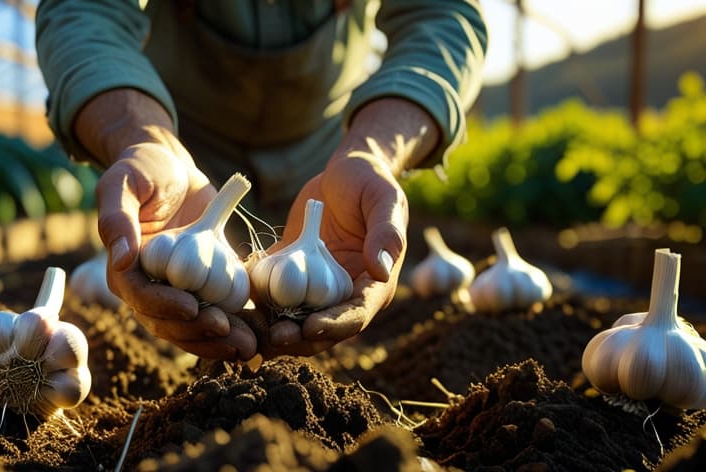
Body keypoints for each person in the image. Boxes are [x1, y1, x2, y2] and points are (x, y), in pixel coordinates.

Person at [36, 0, 487, 361]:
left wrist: (374, 150)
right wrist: (141, 137)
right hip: (178, 163)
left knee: (290, 327)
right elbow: (83, 9)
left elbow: (441, 15)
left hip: (332, 169)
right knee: (193, 313)